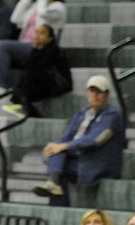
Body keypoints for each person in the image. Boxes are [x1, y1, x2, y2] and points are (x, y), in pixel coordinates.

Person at [33, 75, 124, 207]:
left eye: (99, 92)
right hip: (77, 159)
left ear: (107, 94)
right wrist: (53, 147)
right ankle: (53, 185)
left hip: (97, 163)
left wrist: (63, 146)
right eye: (92, 91)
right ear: (87, 93)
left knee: (60, 161)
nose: (95, 95)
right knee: (56, 152)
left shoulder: (112, 115)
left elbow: (95, 140)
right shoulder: (81, 113)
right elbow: (67, 136)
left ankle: (55, 194)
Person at [0, 0, 66, 89]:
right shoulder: (36, 6)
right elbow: (15, 19)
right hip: (24, 44)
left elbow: (43, 14)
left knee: (1, 46)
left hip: (41, 47)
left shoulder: (58, 7)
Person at [1, 24, 72, 119]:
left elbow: (40, 68)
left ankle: (22, 103)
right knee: (24, 91)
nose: (37, 35)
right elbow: (30, 68)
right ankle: (27, 108)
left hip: (58, 84)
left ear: (49, 39)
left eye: (42, 33)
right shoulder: (35, 51)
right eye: (36, 32)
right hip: (41, 82)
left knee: (26, 84)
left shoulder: (54, 51)